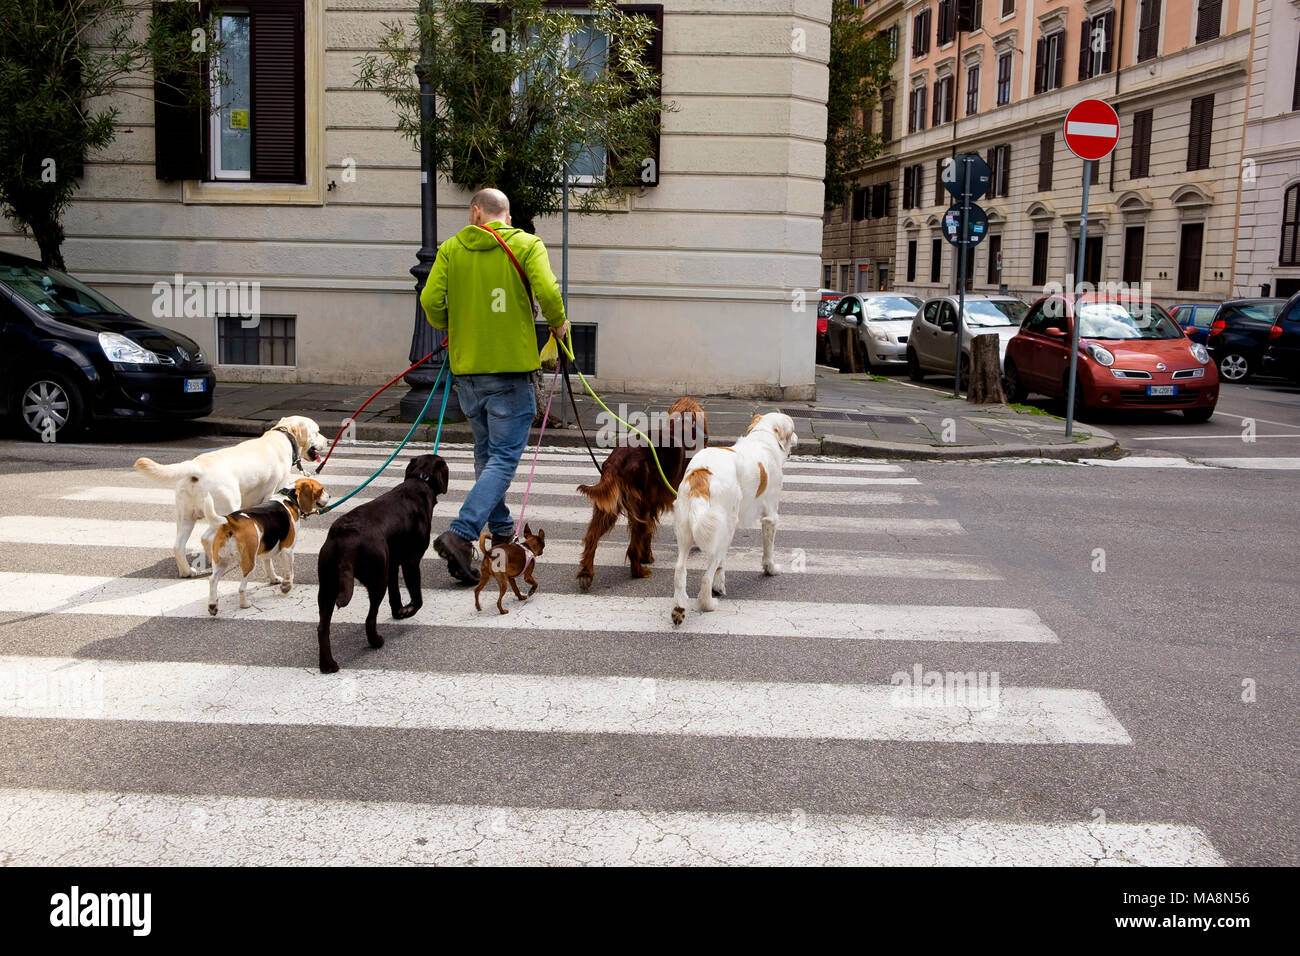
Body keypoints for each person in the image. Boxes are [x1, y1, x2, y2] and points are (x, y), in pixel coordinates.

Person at [421, 188, 568, 584]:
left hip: (467, 374)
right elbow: (550, 292)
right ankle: (462, 532)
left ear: (476, 213)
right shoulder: (525, 244)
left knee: (487, 455)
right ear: (507, 215)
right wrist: (558, 321)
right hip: (509, 374)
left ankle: (502, 533)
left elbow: (431, 301)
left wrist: (450, 325)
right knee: (502, 459)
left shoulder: (452, 249)